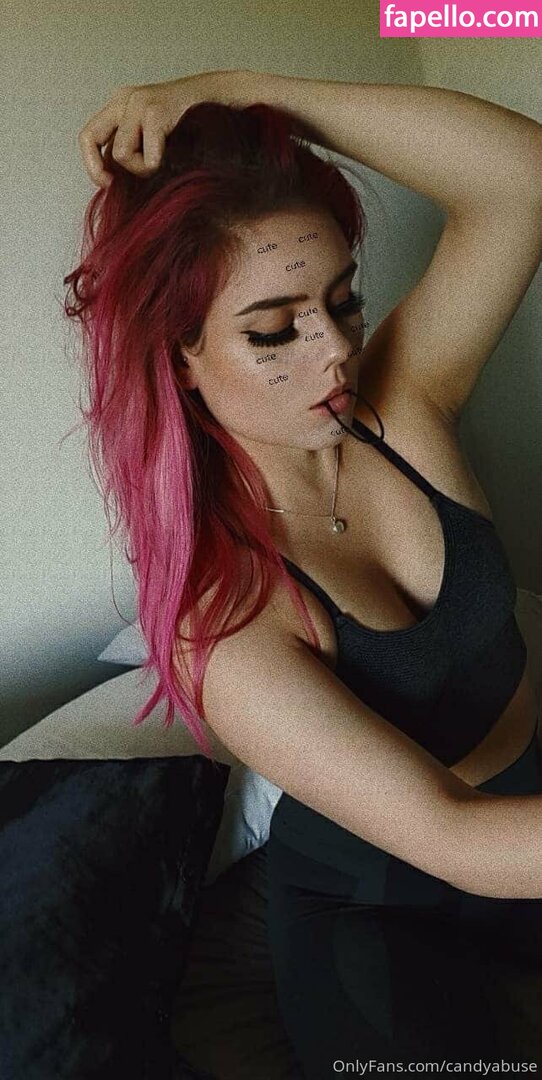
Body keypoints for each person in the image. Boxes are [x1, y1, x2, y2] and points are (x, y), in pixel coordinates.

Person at [72, 69, 542, 1074]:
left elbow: (522, 176)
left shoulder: (404, 404)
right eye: (273, 330)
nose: (335, 352)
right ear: (180, 355)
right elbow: (453, 837)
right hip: (380, 904)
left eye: (342, 299)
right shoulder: (221, 612)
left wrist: (238, 90)